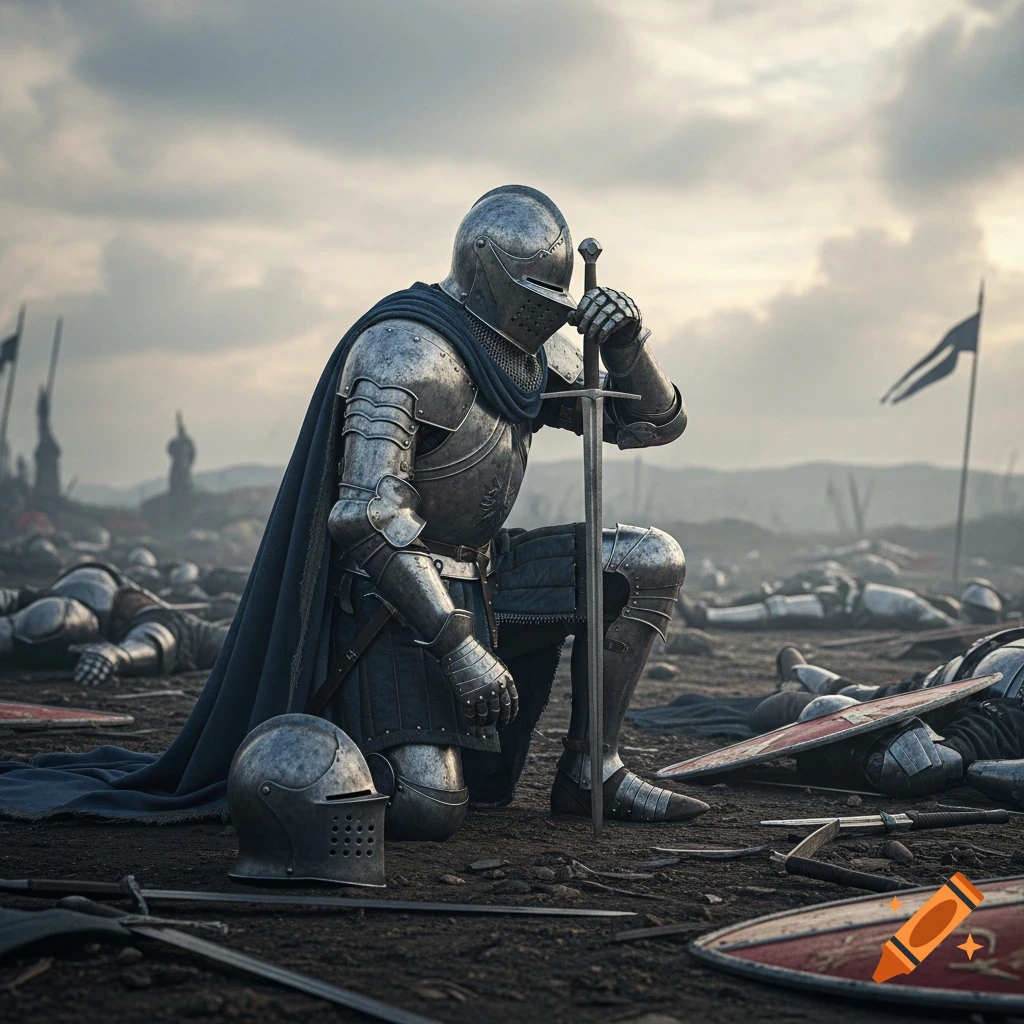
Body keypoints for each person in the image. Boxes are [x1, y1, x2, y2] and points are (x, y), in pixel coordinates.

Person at [0, 185, 706, 829]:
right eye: (532, 294)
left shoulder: (527, 351)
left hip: (489, 569)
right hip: (392, 601)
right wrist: (459, 649)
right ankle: (361, 727)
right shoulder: (407, 351)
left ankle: (593, 769)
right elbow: (365, 517)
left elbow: (650, 425)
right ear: (488, 267)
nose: (543, 311)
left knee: (649, 561)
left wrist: (625, 345)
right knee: (426, 807)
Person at [744, 630, 1024, 805]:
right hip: (984, 680)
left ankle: (810, 697)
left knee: (916, 762)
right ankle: (803, 680)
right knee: (911, 754)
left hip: (999, 704)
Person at [0, 562, 229, 685]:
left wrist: (114, 656)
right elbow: (16, 598)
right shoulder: (68, 595)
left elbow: (154, 640)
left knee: (248, 644)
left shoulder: (154, 618)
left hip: (213, 640)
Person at [679, 562, 1002, 631]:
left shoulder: (942, 619)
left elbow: (948, 629)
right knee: (777, 591)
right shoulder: (940, 606)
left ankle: (706, 617)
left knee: (779, 606)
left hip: (848, 605)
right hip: (848, 591)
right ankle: (713, 608)